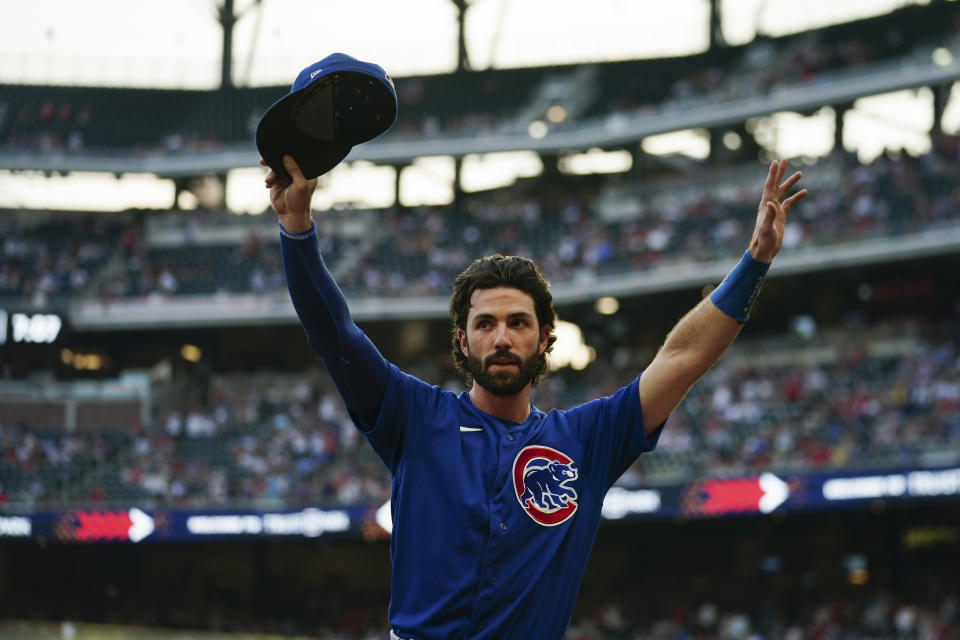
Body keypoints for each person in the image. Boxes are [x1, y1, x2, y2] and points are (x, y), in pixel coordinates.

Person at [262, 153, 806, 640]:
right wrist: (296, 229)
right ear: (463, 340)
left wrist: (754, 261)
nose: (501, 337)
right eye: (486, 324)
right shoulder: (411, 416)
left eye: (518, 323)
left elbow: (681, 359)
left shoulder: (588, 440)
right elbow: (335, 335)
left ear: (545, 338)